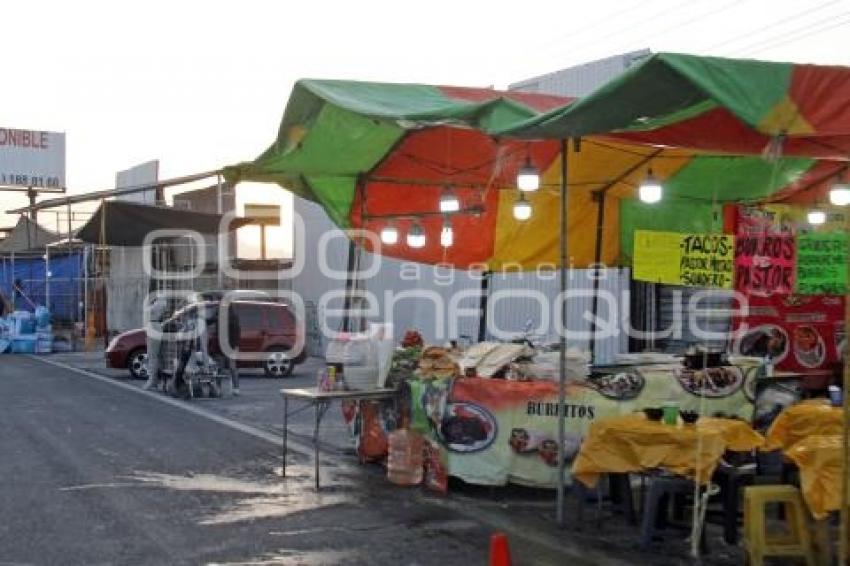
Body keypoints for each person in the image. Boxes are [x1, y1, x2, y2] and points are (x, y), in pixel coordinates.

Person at [142, 296, 169, 391]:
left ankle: (152, 380)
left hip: (154, 326)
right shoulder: (155, 301)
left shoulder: (161, 300)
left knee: (153, 355)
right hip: (152, 326)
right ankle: (156, 380)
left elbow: (155, 309)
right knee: (153, 355)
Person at [225, 304, 241, 396]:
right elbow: (238, 333)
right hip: (232, 345)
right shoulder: (235, 318)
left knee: (231, 367)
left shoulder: (229, 320)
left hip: (229, 345)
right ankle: (235, 388)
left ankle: (235, 387)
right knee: (233, 367)